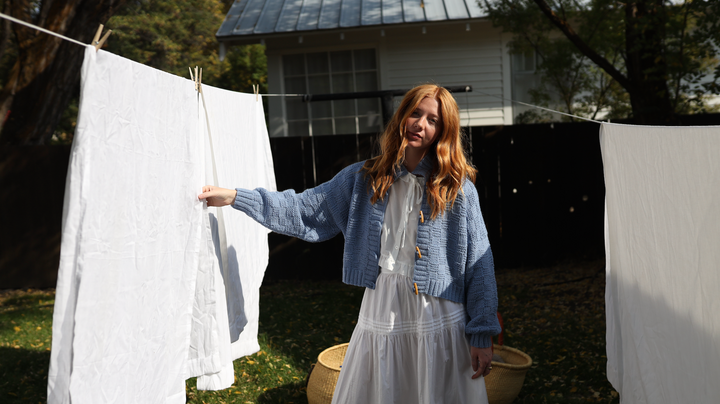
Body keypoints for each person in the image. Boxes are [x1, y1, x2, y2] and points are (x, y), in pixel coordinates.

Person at [198, 84, 501, 403]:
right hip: (382, 305)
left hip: (438, 313)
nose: (420, 124)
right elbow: (304, 209)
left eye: (432, 120)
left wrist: (481, 333)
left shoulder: (458, 189)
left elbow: (479, 264)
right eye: (415, 113)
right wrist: (234, 197)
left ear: (444, 130)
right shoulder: (364, 177)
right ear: (402, 116)